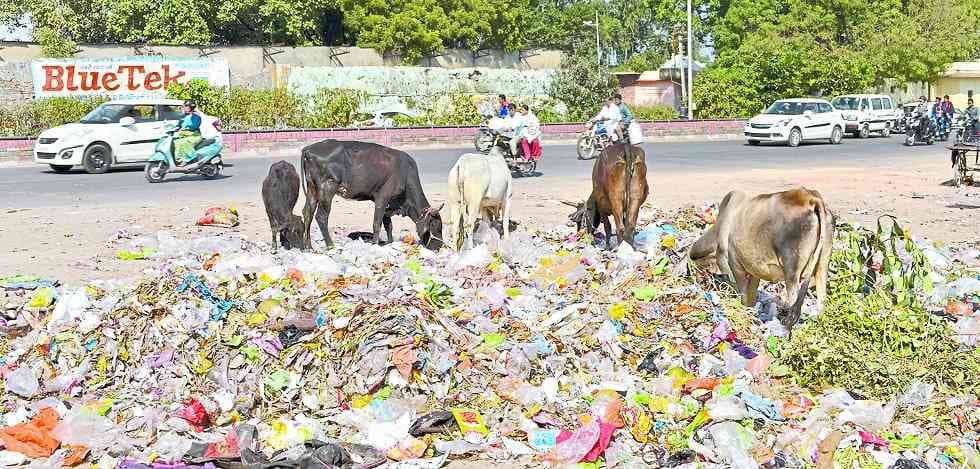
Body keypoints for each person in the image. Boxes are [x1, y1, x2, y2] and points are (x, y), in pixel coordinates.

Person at [173, 100, 203, 165]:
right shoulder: (184, 116)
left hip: (195, 135)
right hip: (185, 135)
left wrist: (185, 128)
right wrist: (175, 128)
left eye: (185, 106)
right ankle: (179, 159)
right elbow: (179, 124)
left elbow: (194, 125)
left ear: (190, 107)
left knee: (184, 142)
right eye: (184, 106)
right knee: (176, 142)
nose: (184, 108)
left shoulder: (195, 116)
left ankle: (189, 159)